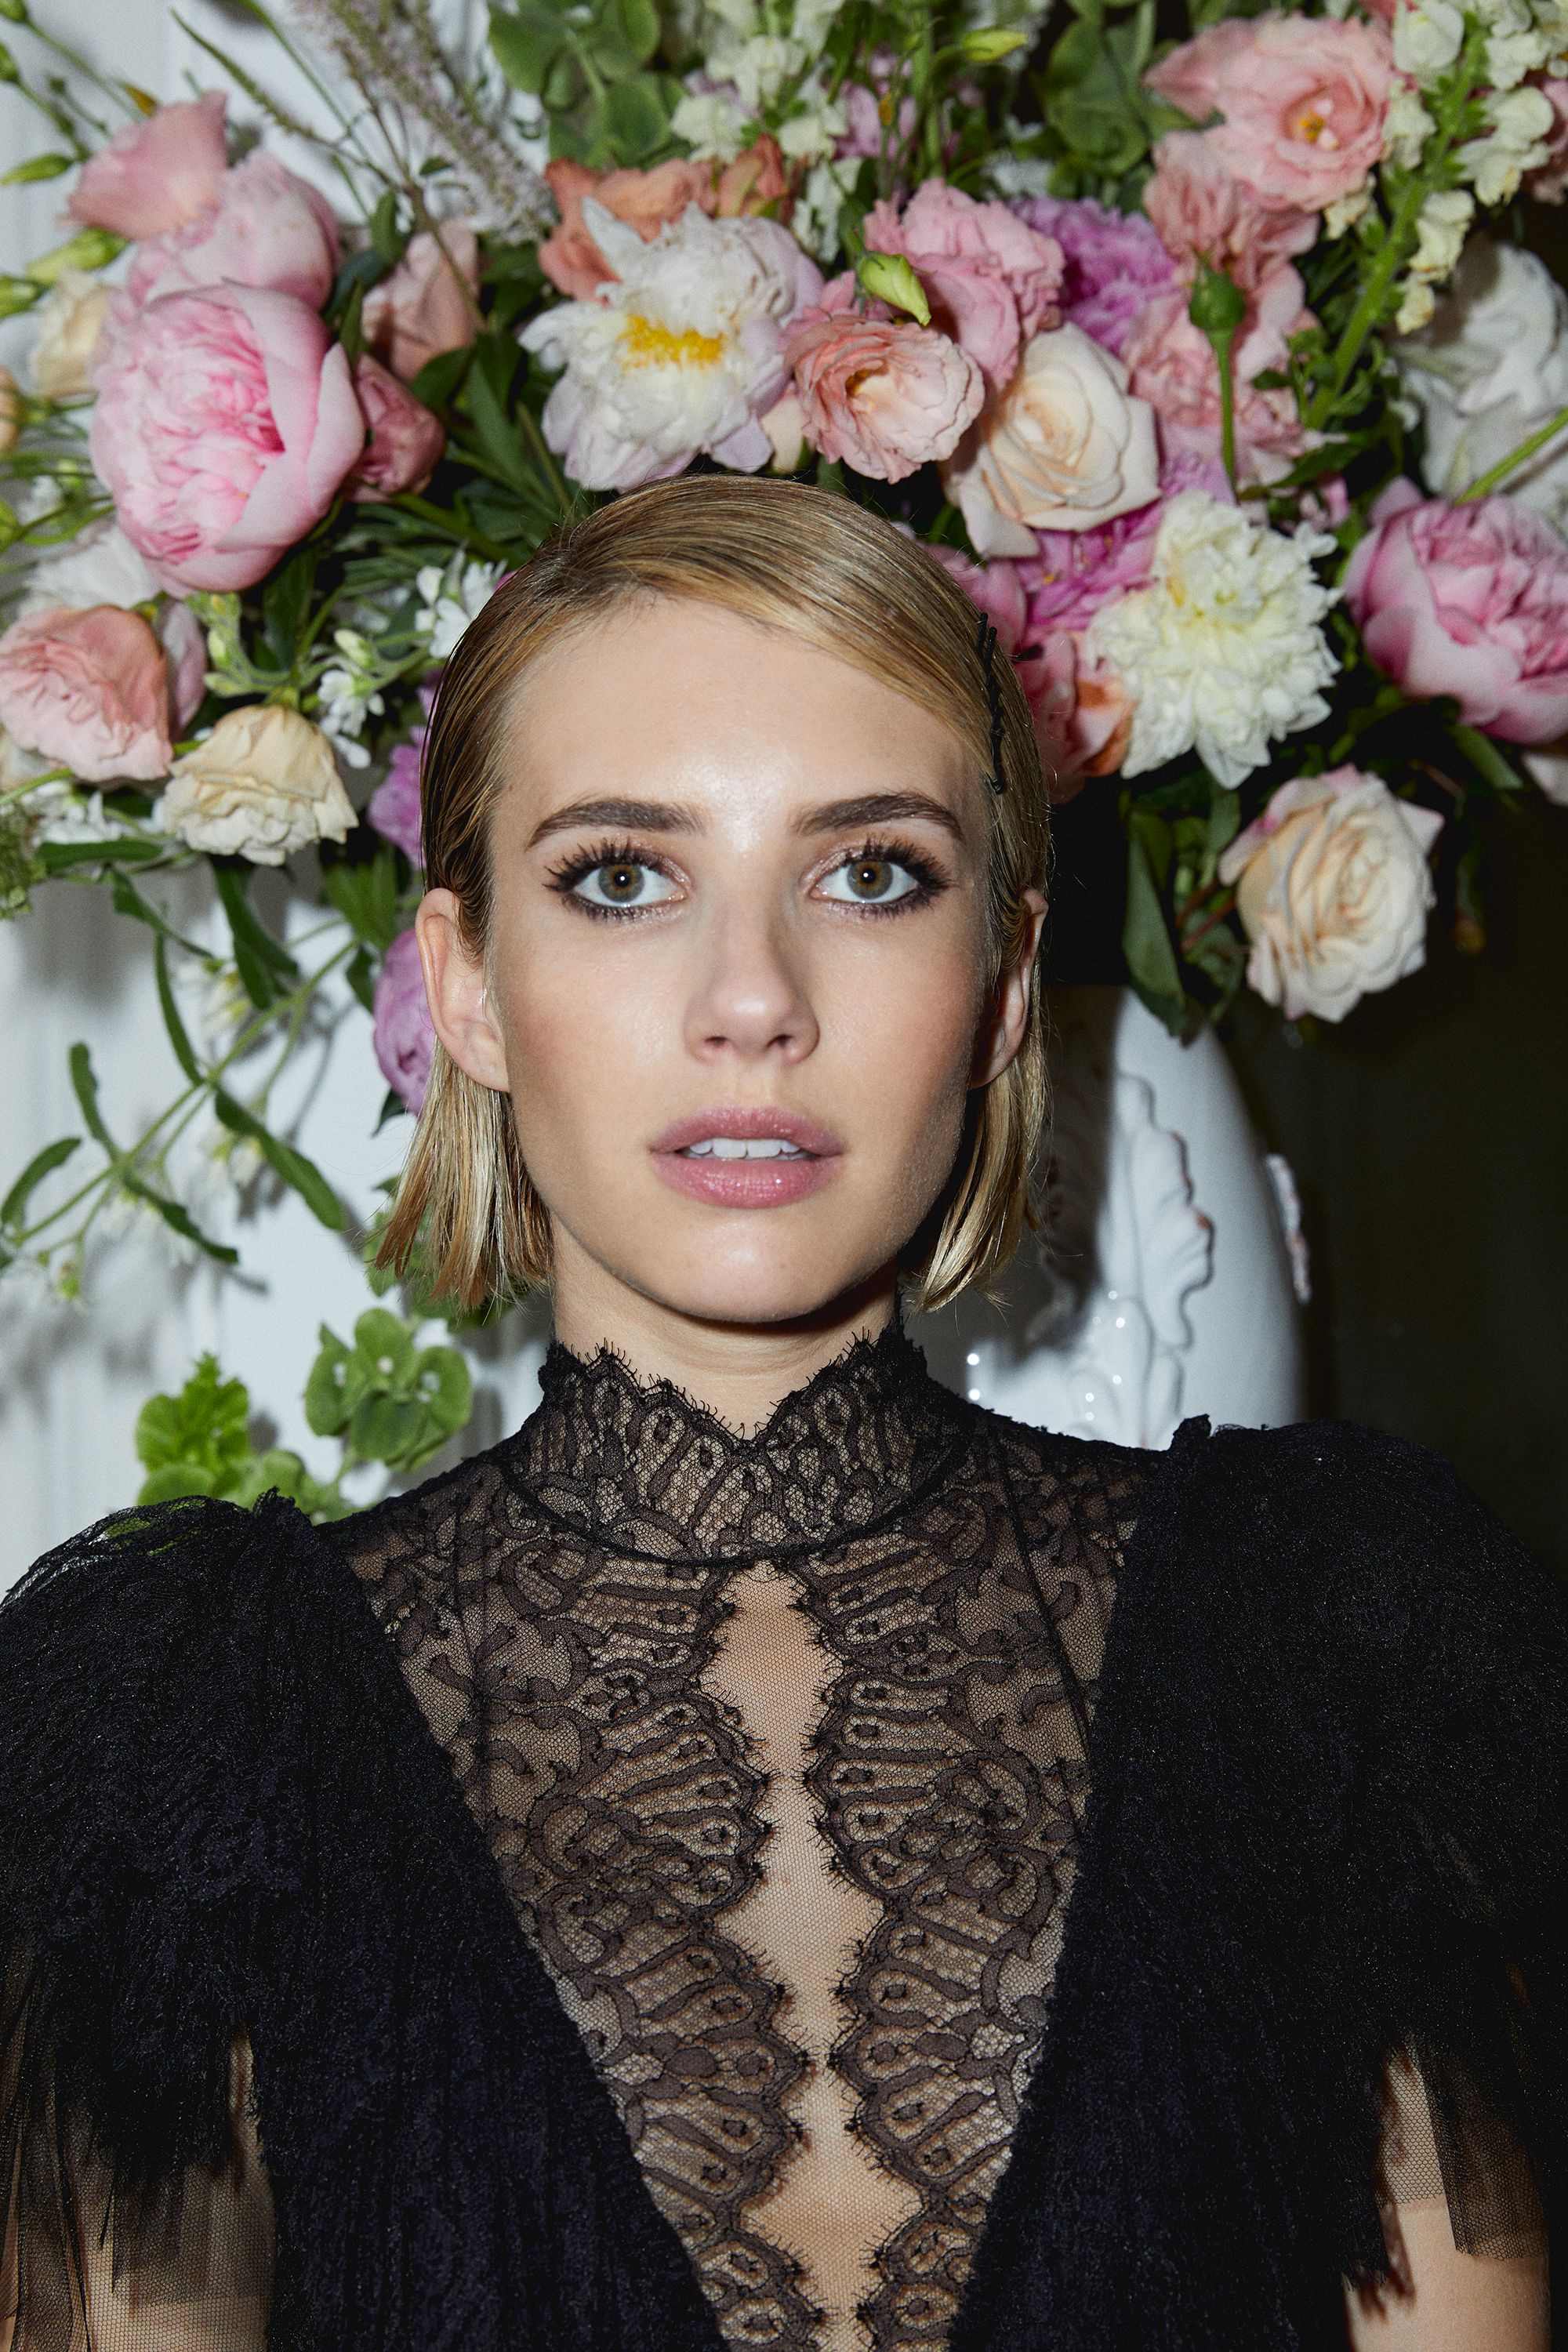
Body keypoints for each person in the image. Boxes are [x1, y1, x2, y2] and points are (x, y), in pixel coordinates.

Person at [1, 477, 1564, 2352]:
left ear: (1002, 985)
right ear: (466, 987)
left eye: (871, 872)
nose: (752, 1001)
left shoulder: (1336, 1645)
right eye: (621, 877)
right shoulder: (180, 1735)